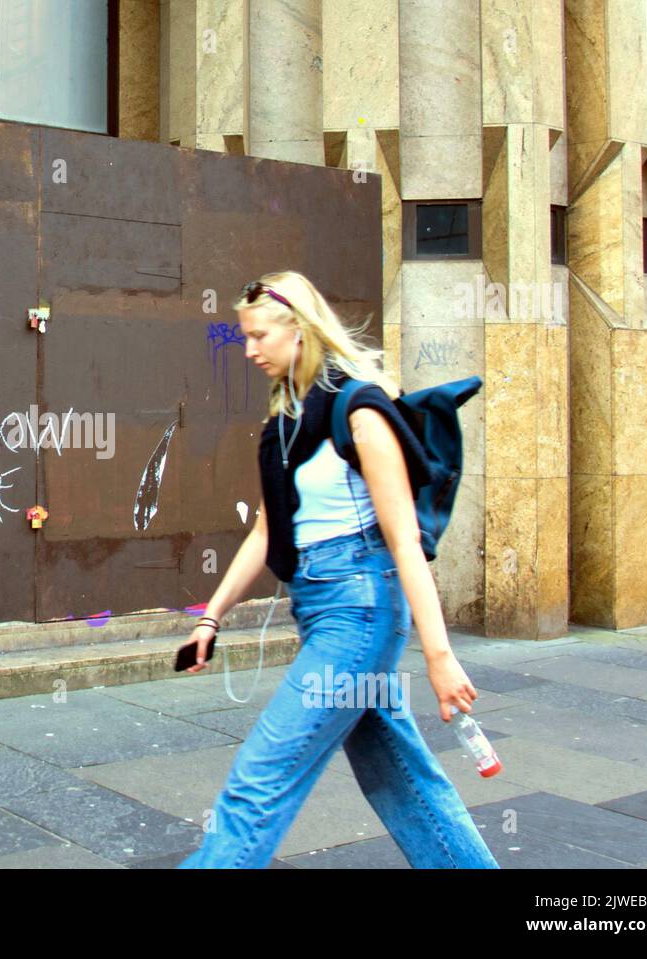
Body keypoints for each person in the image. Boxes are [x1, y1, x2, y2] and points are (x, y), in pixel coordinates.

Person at [176, 271, 499, 869]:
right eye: (244, 337)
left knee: (261, 779)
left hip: (360, 613)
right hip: (322, 613)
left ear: (299, 329)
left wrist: (438, 655)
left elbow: (404, 541)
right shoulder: (283, 427)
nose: (248, 350)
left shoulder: (359, 410)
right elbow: (266, 532)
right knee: (401, 780)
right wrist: (211, 617)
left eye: (259, 336)